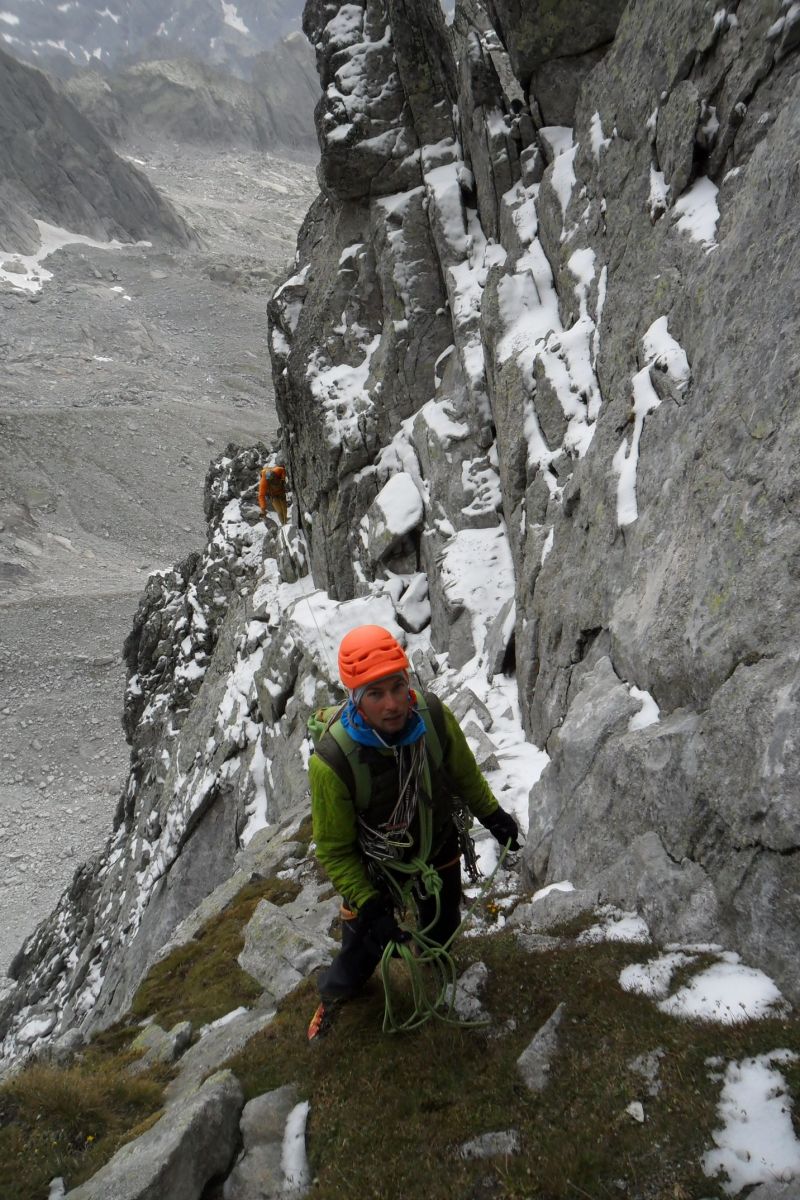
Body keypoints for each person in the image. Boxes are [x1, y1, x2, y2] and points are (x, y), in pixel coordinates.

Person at [307, 624, 520, 1039]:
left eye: (397, 686)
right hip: (375, 866)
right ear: (355, 699)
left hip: (434, 841)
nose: (392, 704)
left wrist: (493, 815)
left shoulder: (433, 715)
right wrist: (370, 905)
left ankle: (434, 966)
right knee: (361, 949)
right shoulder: (332, 761)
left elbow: (462, 772)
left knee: (443, 921)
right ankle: (335, 996)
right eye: (375, 693)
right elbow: (333, 850)